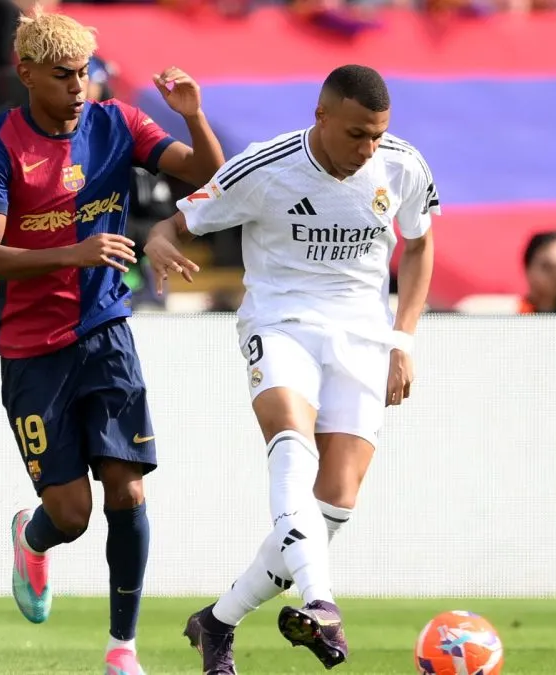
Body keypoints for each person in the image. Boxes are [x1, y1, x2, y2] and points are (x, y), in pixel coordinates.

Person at [143, 64, 439, 673]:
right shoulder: (263, 166)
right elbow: (178, 221)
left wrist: (402, 340)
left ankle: (217, 622)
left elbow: (421, 243)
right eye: (357, 133)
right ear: (322, 117)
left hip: (363, 336)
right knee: (289, 443)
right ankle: (320, 602)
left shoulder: (403, 165)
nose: (368, 148)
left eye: (377, 135)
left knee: (336, 503)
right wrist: (159, 239)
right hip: (280, 323)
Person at [0, 6, 224, 674]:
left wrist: (193, 115)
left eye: (84, 73)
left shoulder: (118, 123)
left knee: (127, 490)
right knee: (72, 514)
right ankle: (34, 532)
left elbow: (202, 173)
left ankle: (122, 648)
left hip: (105, 329)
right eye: (63, 76)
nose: (79, 88)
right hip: (30, 347)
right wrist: (73, 253)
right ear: (25, 74)